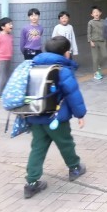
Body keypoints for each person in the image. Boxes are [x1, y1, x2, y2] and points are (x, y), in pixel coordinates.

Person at [24, 36, 86, 199]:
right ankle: (74, 168)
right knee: (65, 143)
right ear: (66, 53)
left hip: (35, 115)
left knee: (37, 148)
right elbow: (73, 94)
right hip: (56, 118)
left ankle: (31, 183)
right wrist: (80, 114)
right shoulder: (62, 70)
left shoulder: (32, 66)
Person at [87, 5, 107, 80]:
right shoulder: (90, 22)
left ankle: (98, 66)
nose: (96, 13)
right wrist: (90, 41)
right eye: (94, 12)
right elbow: (89, 33)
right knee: (95, 58)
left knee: (105, 56)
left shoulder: (103, 21)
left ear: (100, 13)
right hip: (94, 42)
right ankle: (96, 73)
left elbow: (106, 31)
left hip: (102, 41)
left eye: (98, 12)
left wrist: (106, 39)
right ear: (91, 14)